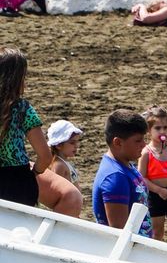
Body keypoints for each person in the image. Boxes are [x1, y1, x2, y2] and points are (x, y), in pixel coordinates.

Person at [0, 48, 80, 215]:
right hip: (18, 182)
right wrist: (34, 174)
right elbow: (45, 156)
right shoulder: (23, 109)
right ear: (18, 79)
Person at [91, 110, 153, 237]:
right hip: (130, 248)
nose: (144, 144)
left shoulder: (125, 165)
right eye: (138, 141)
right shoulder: (115, 178)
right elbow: (120, 233)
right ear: (118, 142)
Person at [138, 107, 167, 246]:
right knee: (157, 234)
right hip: (155, 196)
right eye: (158, 128)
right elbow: (142, 178)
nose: (162, 131)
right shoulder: (146, 153)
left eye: (165, 128)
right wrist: (158, 190)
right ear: (149, 130)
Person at [46, 119, 83, 189]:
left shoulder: (64, 162)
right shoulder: (59, 165)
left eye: (77, 142)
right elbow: (55, 189)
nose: (76, 145)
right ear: (58, 145)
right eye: (72, 143)